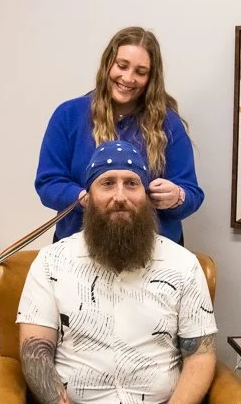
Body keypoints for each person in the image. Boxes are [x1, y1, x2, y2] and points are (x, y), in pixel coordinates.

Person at [17, 141, 228, 404]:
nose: (119, 196)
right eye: (106, 184)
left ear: (147, 196)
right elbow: (34, 353)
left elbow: (200, 357)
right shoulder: (51, 263)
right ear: (88, 196)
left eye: (131, 183)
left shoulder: (183, 264)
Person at [35, 26, 204, 245]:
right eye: (122, 66)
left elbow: (192, 193)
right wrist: (87, 198)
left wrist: (176, 197)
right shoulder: (68, 116)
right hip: (80, 248)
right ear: (108, 64)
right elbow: (48, 183)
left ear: (151, 78)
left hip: (154, 251)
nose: (128, 78)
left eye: (140, 72)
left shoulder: (168, 123)